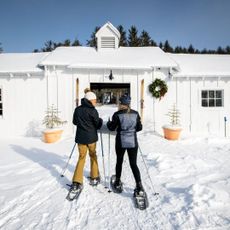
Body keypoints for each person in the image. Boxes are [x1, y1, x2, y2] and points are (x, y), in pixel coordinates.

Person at [107, 93, 144, 195]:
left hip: (120, 142)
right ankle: (139, 185)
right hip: (132, 142)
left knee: (119, 161)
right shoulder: (135, 113)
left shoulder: (117, 114)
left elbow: (111, 128)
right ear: (129, 103)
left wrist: (109, 123)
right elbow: (140, 128)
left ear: (121, 103)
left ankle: (118, 181)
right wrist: (131, 130)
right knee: (133, 164)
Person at [70, 90, 103, 193]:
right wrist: (100, 121)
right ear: (89, 100)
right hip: (91, 139)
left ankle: (77, 181)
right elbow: (97, 125)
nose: (95, 102)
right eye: (94, 100)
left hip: (81, 139)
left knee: (81, 158)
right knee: (93, 156)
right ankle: (94, 176)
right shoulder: (93, 111)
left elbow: (75, 122)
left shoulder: (77, 110)